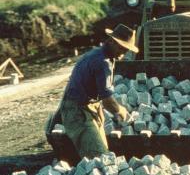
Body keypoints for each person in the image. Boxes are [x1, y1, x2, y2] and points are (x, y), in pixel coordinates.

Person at [57, 23, 138, 159]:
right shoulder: (102, 62)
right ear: (111, 41)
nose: (123, 53)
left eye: (126, 50)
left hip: (88, 106)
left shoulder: (99, 54)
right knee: (99, 158)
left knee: (102, 153)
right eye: (121, 47)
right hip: (77, 110)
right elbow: (107, 101)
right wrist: (120, 110)